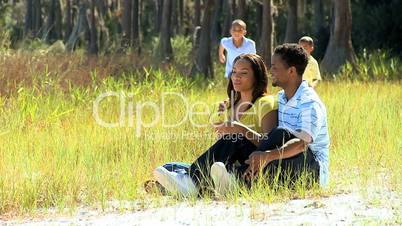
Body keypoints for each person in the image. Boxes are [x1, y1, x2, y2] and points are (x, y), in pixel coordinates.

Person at [153, 54, 277, 196]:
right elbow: (223, 146)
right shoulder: (230, 105)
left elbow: (271, 144)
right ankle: (193, 184)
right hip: (226, 166)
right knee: (170, 166)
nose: (236, 77)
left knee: (235, 138)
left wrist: (241, 129)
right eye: (234, 72)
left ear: (257, 76)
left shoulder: (266, 102)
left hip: (251, 163)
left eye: (244, 73)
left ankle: (191, 183)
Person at [239, 43, 330, 189]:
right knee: (239, 140)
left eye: (275, 67)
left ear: (291, 71)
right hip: (284, 159)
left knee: (281, 133)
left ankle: (237, 178)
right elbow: (272, 139)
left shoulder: (310, 102)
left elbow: (302, 144)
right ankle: (196, 173)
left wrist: (267, 156)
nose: (270, 71)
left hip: (311, 170)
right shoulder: (281, 97)